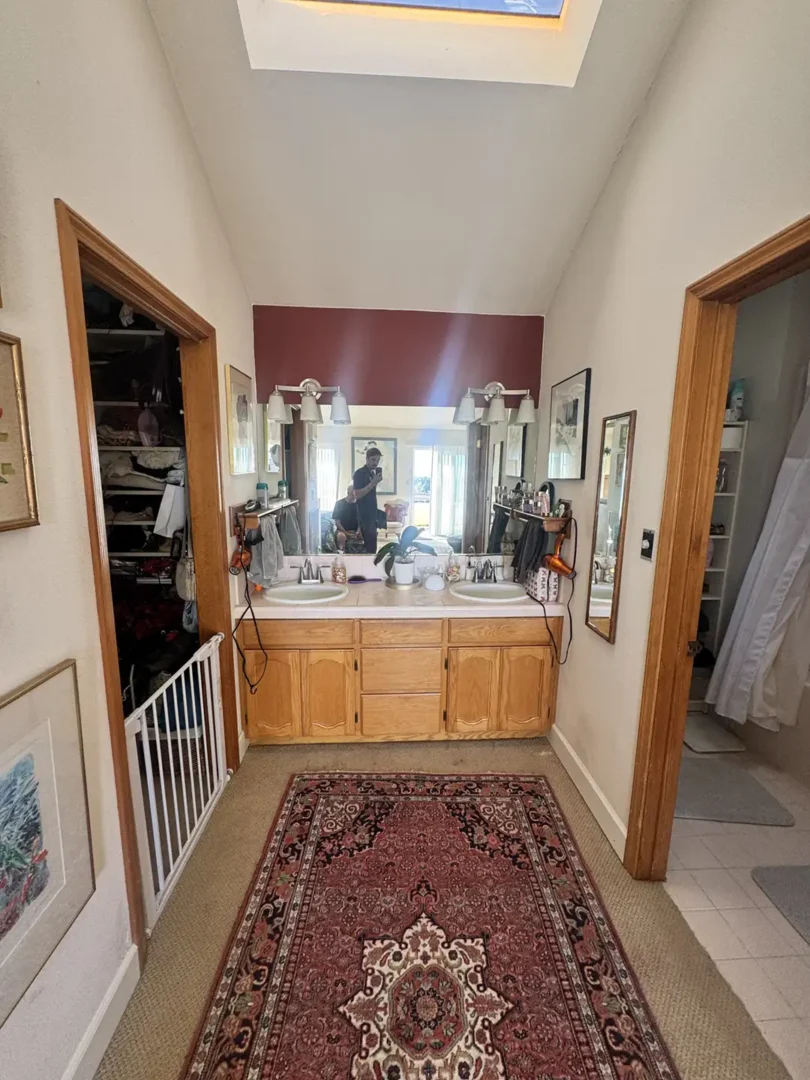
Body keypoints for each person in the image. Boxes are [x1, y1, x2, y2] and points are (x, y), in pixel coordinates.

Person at [352, 447, 383, 553]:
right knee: (370, 549)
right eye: (373, 460)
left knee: (372, 547)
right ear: (367, 458)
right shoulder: (359, 473)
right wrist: (373, 483)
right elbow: (357, 494)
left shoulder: (371, 474)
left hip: (372, 516)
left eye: (378, 460)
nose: (376, 463)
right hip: (364, 516)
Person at [332, 486, 363, 553]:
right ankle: (342, 553)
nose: (354, 496)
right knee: (341, 536)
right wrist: (346, 533)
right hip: (342, 530)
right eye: (352, 494)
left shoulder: (359, 505)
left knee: (368, 534)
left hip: (356, 531)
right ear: (348, 493)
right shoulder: (339, 503)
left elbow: (361, 521)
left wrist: (358, 532)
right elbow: (337, 522)